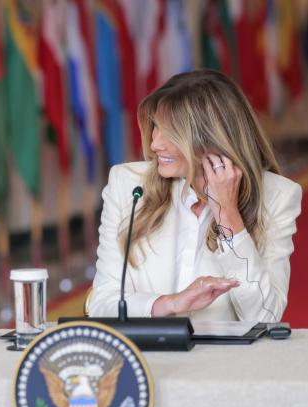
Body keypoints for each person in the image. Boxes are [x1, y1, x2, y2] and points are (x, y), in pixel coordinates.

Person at [88, 69, 302, 322]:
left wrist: (227, 214)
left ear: (212, 137)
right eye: (156, 127)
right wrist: (172, 303)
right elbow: (101, 303)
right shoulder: (127, 184)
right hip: (143, 348)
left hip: (221, 349)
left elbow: (264, 318)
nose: (155, 144)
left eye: (170, 133)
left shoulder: (278, 196)